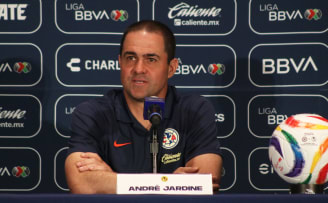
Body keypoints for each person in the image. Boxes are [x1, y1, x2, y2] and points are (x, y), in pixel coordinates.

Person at [65, 20, 223, 194]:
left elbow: (205, 184)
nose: (138, 68)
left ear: (171, 68)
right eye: (130, 58)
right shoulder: (92, 113)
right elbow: (81, 183)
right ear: (120, 62)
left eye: (151, 59)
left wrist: (112, 179)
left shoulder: (195, 111)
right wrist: (170, 184)